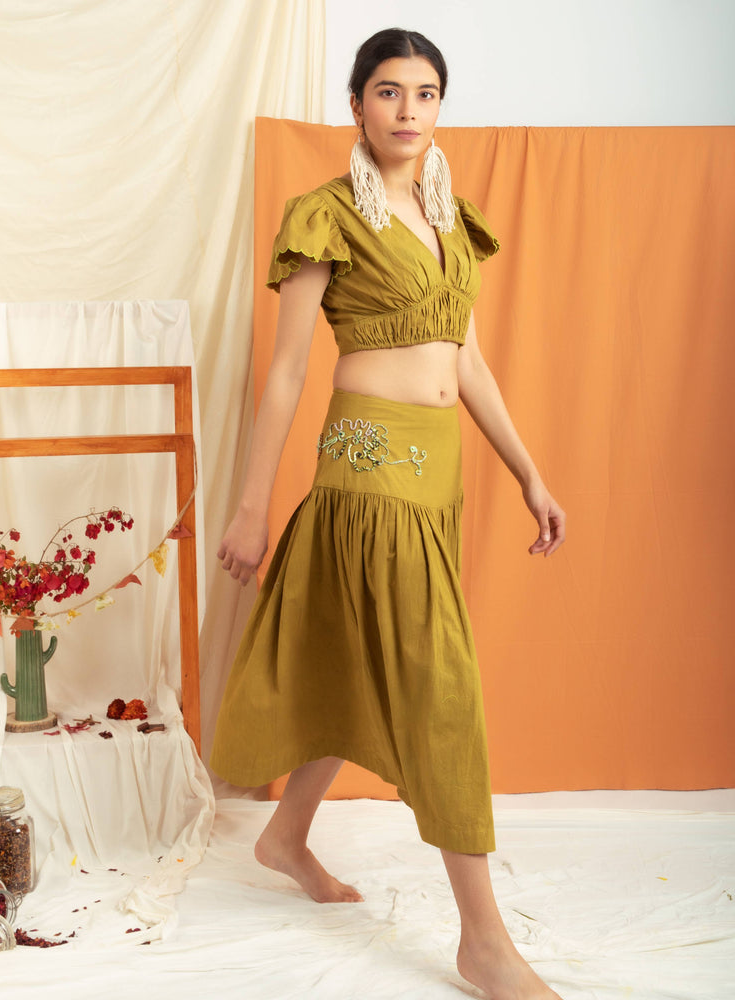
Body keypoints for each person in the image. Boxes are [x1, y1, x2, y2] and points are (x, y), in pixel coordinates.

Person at [211, 28, 566, 1000]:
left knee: (358, 661)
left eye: (425, 92)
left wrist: (529, 474)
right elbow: (287, 371)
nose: (408, 109)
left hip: (437, 478)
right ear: (357, 105)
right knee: (440, 688)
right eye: (387, 90)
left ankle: (285, 836)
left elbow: (467, 361)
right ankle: (483, 942)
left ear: (439, 105)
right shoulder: (325, 216)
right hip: (368, 477)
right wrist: (252, 507)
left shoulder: (450, 217)